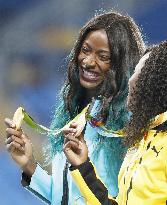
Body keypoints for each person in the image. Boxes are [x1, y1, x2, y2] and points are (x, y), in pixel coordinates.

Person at [5, 11, 145, 205]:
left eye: (103, 56)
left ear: (122, 64)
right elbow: (65, 197)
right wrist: (29, 165)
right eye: (85, 50)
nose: (88, 62)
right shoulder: (75, 115)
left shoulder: (130, 127)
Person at [63, 41, 167, 205]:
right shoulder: (142, 140)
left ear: (158, 84)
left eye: (140, 73)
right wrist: (83, 167)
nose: (131, 80)